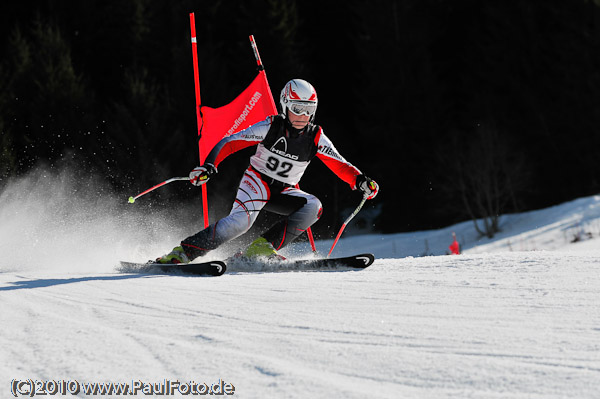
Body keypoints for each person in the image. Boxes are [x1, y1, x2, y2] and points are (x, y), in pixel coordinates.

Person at [156, 79, 379, 263]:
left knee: (314, 207)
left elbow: (339, 163)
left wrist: (360, 180)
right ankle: (183, 253)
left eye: (308, 110)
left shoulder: (316, 136)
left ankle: (260, 249)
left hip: (284, 191)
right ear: (285, 106)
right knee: (240, 223)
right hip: (257, 183)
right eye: (297, 109)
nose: (302, 116)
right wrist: (210, 165)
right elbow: (231, 142)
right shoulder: (271, 127)